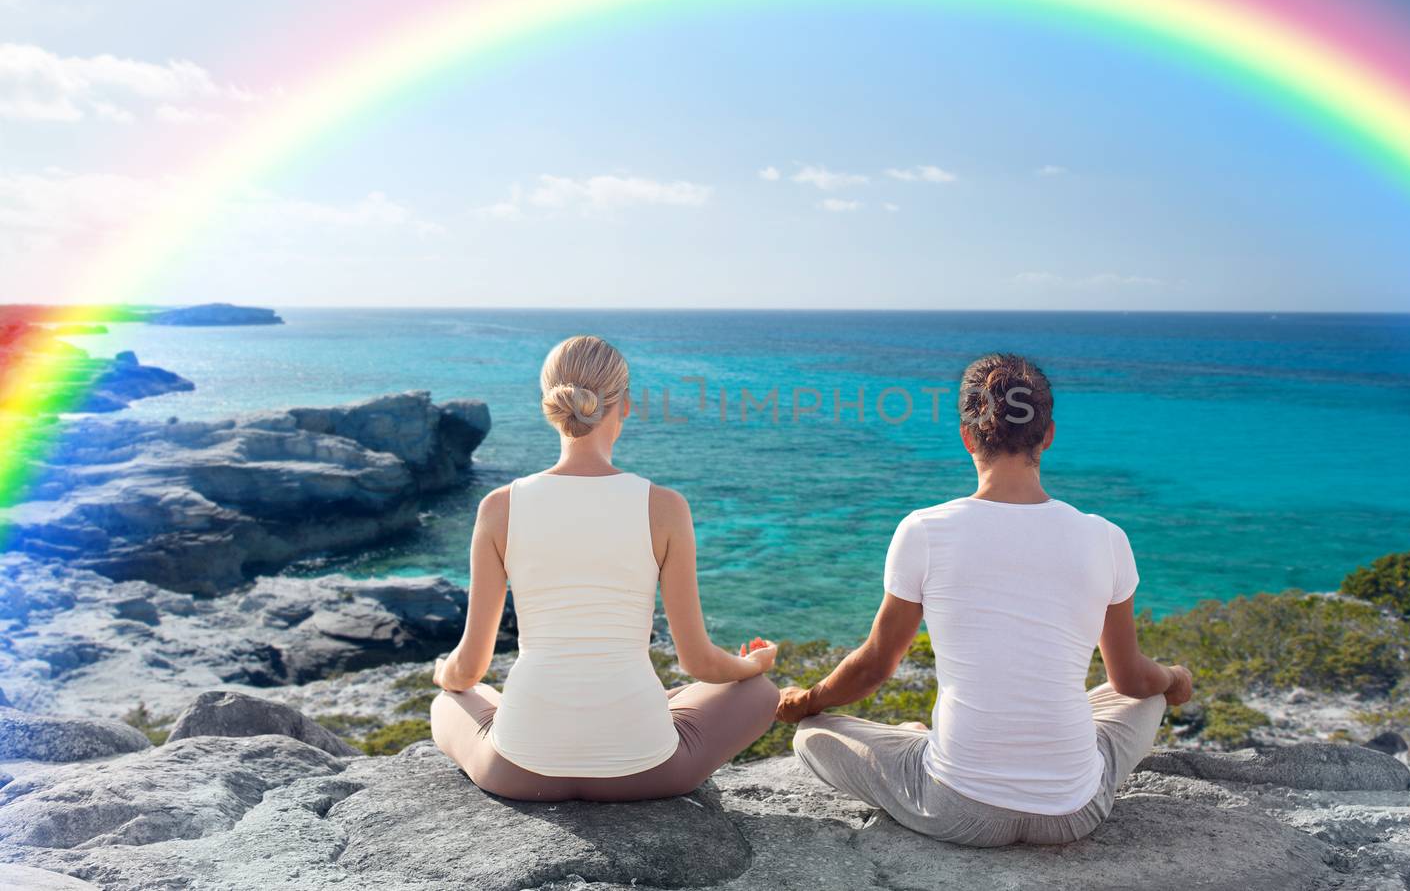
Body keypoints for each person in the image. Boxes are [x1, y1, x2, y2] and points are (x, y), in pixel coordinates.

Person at [776, 353, 1193, 846]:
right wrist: (1175, 679)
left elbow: (874, 666)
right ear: (1048, 435)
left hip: (959, 808)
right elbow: (1128, 678)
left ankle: (922, 743)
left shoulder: (925, 530)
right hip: (1076, 812)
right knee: (1146, 698)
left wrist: (806, 701)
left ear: (968, 436)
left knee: (811, 737)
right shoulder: (1105, 537)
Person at [431, 334, 779, 801]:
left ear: (549, 405)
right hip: (648, 771)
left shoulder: (499, 507)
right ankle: (652, 709)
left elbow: (470, 669)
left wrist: (443, 674)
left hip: (517, 770)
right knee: (760, 693)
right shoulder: (665, 507)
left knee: (450, 699)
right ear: (626, 405)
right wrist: (750, 664)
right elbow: (698, 662)